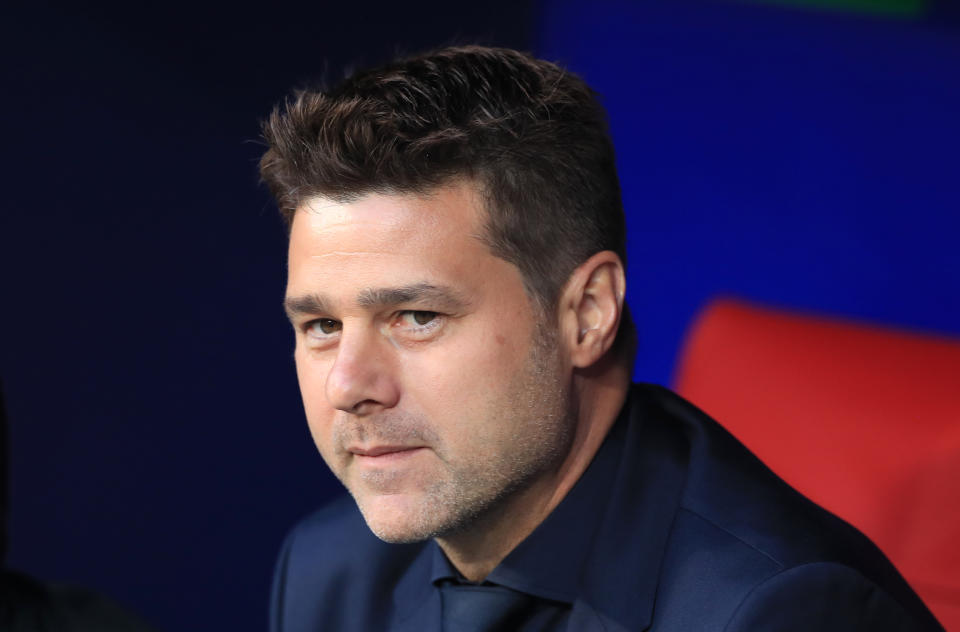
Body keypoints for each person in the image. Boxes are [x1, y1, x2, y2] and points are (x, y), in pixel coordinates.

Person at [259, 46, 942, 631]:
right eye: (321, 326)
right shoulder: (327, 574)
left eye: (416, 317)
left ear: (587, 313)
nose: (349, 385)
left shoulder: (785, 611)